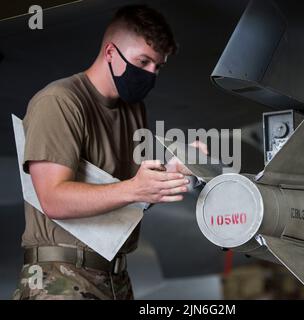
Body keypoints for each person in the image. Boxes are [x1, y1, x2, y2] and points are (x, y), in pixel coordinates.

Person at [13, 4, 203, 300]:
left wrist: (168, 175)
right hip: (58, 280)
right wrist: (134, 189)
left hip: (113, 277)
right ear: (111, 53)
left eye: (158, 66)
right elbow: (52, 199)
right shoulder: (59, 102)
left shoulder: (133, 110)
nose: (151, 74)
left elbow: (127, 197)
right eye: (143, 62)